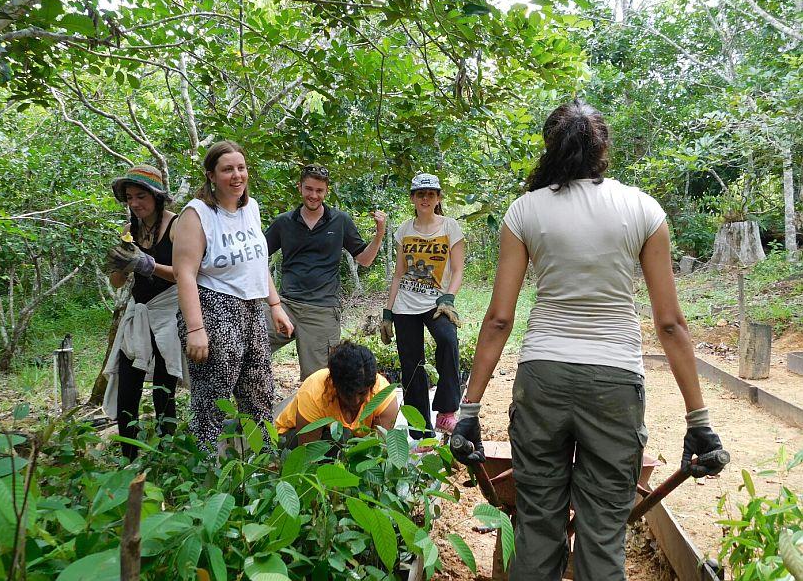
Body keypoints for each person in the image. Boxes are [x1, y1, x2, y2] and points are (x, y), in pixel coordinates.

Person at [450, 101, 725, 580]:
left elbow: (497, 320)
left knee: (536, 527)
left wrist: (469, 410)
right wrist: (698, 419)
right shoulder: (643, 209)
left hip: (544, 379)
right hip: (614, 383)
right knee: (603, 535)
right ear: (602, 149)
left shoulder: (525, 212)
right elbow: (671, 324)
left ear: (551, 148)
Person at [173, 140, 294, 454]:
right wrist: (195, 328)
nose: (237, 175)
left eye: (241, 168)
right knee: (214, 396)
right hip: (213, 307)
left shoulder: (249, 208)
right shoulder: (196, 214)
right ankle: (205, 467)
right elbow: (184, 273)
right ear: (212, 175)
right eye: (228, 169)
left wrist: (275, 305)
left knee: (259, 390)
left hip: (251, 309)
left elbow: (257, 262)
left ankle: (262, 461)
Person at [265, 165, 387, 380]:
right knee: (247, 346)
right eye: (309, 189)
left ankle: (312, 414)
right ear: (300, 187)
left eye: (319, 191)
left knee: (318, 382)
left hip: (322, 310)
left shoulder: (340, 221)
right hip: (285, 306)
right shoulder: (284, 222)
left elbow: (365, 260)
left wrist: (379, 233)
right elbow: (256, 258)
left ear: (326, 191)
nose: (313, 195)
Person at [103, 164, 184, 461]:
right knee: (128, 388)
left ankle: (166, 456)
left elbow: (185, 273)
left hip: (168, 315)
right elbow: (117, 283)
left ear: (157, 196)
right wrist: (122, 263)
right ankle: (129, 458)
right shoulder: (129, 231)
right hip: (138, 315)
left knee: (165, 390)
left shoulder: (176, 226)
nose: (135, 204)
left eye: (141, 196)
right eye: (129, 198)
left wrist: (147, 264)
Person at [380, 173, 465, 438]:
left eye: (431, 194)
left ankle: (447, 410)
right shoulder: (404, 230)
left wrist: (448, 298)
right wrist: (388, 313)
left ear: (438, 198)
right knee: (411, 366)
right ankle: (420, 433)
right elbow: (398, 274)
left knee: (448, 340)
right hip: (406, 304)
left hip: (437, 304)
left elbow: (459, 269)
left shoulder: (450, 227)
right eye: (420, 194)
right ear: (413, 198)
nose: (425, 199)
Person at [275, 341, 399, 446]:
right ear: (334, 384)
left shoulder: (383, 396)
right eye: (348, 393)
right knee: (341, 437)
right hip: (291, 437)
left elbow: (379, 449)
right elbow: (307, 453)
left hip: (350, 443)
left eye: (361, 393)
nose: (355, 401)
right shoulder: (314, 392)